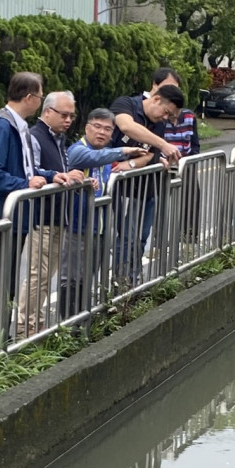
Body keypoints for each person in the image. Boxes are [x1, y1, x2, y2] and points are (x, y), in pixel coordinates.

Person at [0, 72, 68, 345]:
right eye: (40, 96)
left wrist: (50, 176)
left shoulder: (19, 126)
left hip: (16, 216)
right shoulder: (3, 126)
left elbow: (27, 169)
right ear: (29, 97)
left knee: (7, 284)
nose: (40, 102)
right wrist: (24, 182)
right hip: (1, 215)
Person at [60, 108, 148, 318]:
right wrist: (124, 151)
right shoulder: (77, 150)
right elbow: (94, 157)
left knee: (88, 278)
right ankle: (68, 325)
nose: (101, 132)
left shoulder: (106, 155)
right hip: (77, 226)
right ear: (86, 127)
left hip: (99, 228)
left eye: (107, 129)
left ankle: (84, 321)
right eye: (97, 127)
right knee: (71, 279)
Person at [15, 91, 86, 338]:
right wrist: (52, 176)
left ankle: (36, 324)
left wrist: (75, 177)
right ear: (47, 112)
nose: (68, 120)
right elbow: (32, 170)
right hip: (40, 217)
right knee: (38, 276)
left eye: (71, 116)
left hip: (58, 217)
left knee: (46, 276)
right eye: (63, 115)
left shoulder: (59, 139)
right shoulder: (36, 137)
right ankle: (26, 329)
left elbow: (61, 171)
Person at [107, 84, 184, 285]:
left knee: (141, 238)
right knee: (126, 237)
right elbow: (126, 126)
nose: (165, 118)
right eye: (166, 112)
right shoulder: (127, 104)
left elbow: (150, 155)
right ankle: (120, 283)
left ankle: (132, 280)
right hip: (122, 189)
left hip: (147, 187)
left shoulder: (159, 122)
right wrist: (162, 144)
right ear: (156, 99)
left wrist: (132, 163)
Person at [163, 107, 202, 259]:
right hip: (163, 164)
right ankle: (158, 243)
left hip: (185, 163)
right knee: (160, 202)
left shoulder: (189, 117)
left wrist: (188, 161)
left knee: (192, 198)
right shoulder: (160, 118)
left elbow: (195, 144)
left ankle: (189, 240)